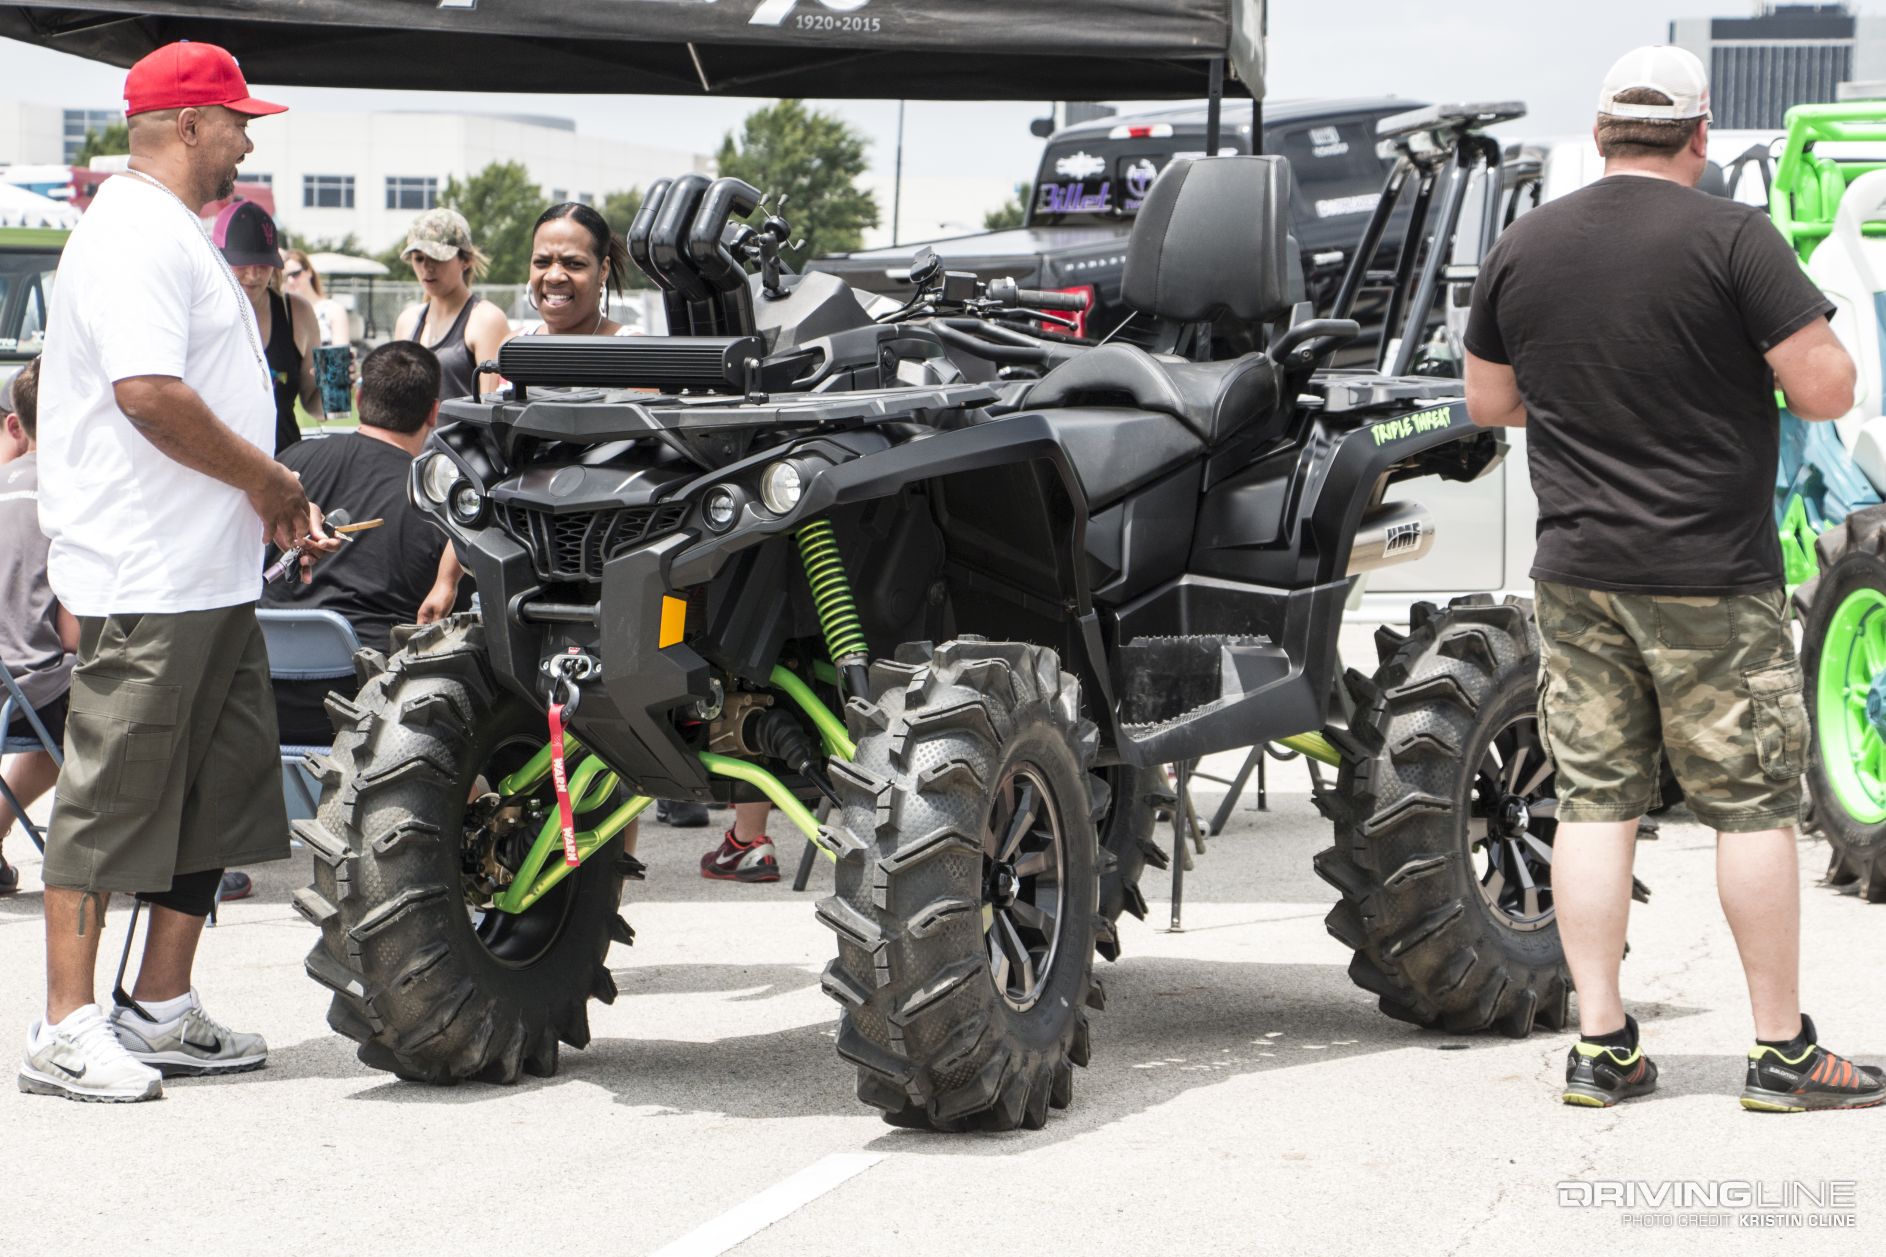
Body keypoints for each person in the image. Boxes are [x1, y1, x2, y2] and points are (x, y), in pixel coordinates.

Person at [1464, 45, 1882, 1112]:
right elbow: (1828, 390)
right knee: (1747, 807)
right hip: (1707, 574)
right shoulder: (1733, 237)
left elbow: (1487, 403)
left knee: (1594, 802)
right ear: (1698, 138)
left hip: (1577, 573)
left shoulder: (1523, 244)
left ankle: (1599, 1047)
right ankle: (1782, 1053)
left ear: (1603, 136)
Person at [22, 41, 339, 1104]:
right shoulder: (131, 235)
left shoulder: (170, 234)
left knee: (214, 796)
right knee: (111, 803)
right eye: (240, 121)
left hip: (201, 577)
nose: (249, 143)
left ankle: (157, 1006)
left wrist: (268, 500)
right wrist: (270, 485)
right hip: (146, 577)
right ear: (192, 122)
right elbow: (148, 395)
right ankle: (65, 1025)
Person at [262, 341, 464, 743]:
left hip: (261, 699)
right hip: (370, 718)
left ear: (358, 397)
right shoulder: (435, 498)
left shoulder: (288, 466)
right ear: (434, 414)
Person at [0, 357, 78, 895]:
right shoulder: (75, 500)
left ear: (16, 423)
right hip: (33, 688)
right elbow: (73, 636)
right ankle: (173, 865)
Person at [214, 200, 323, 453]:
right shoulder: (201, 313)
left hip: (285, 465)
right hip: (222, 471)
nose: (253, 275)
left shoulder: (295, 312)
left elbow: (316, 407)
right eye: (242, 264)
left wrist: (333, 386)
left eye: (262, 264)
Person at [393, 207, 510, 401]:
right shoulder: (407, 321)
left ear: (466, 260)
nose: (426, 268)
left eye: (437, 257)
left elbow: (492, 410)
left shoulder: (486, 320)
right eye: (419, 258)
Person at [283, 248, 351, 348]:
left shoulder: (333, 310)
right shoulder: (283, 314)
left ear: (309, 272)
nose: (290, 281)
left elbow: (340, 359)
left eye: (295, 274)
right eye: (284, 277)